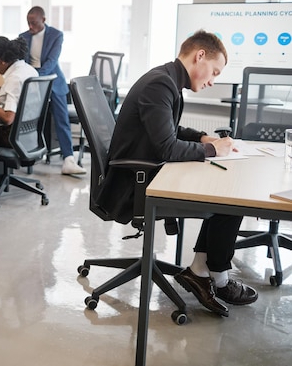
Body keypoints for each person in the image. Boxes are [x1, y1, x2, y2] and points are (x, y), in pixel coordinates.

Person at [96, 30, 258, 317]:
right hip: (134, 185)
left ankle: (200, 271)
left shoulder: (166, 79)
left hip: (144, 173)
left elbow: (168, 131)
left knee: (225, 194)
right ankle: (217, 278)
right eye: (215, 72)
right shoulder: (160, 84)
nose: (212, 81)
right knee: (230, 200)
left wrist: (203, 139)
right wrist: (213, 151)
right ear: (200, 56)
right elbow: (168, 148)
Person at [19, 6, 86, 176]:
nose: (30, 27)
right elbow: (21, 61)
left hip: (52, 80)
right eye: (28, 23)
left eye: (33, 23)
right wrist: (30, 79)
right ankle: (27, 156)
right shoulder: (23, 37)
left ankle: (69, 159)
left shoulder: (56, 35)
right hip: (31, 82)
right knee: (28, 119)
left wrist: (37, 77)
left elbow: (52, 61)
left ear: (44, 20)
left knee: (61, 119)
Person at [0, 36, 39, 192]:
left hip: (12, 137)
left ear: (2, 60)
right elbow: (21, 98)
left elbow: (8, 118)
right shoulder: (27, 70)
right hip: (29, 133)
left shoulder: (14, 78)